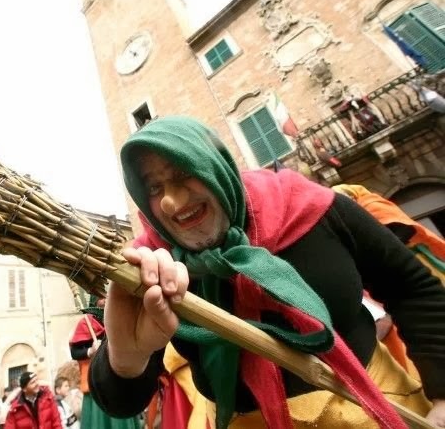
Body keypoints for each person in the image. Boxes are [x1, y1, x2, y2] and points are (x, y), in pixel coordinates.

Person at [88, 116, 445, 429]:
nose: (172, 201)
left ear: (216, 166)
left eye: (184, 173)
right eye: (154, 187)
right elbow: (119, 403)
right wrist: (126, 356)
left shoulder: (307, 204)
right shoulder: (147, 266)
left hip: (384, 410)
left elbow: (410, 287)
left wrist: (443, 393)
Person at [69, 297, 140, 429]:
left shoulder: (117, 318)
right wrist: (90, 351)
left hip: (119, 379)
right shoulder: (85, 323)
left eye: (107, 296)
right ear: (95, 302)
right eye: (101, 298)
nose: (106, 300)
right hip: (96, 382)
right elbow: (74, 352)